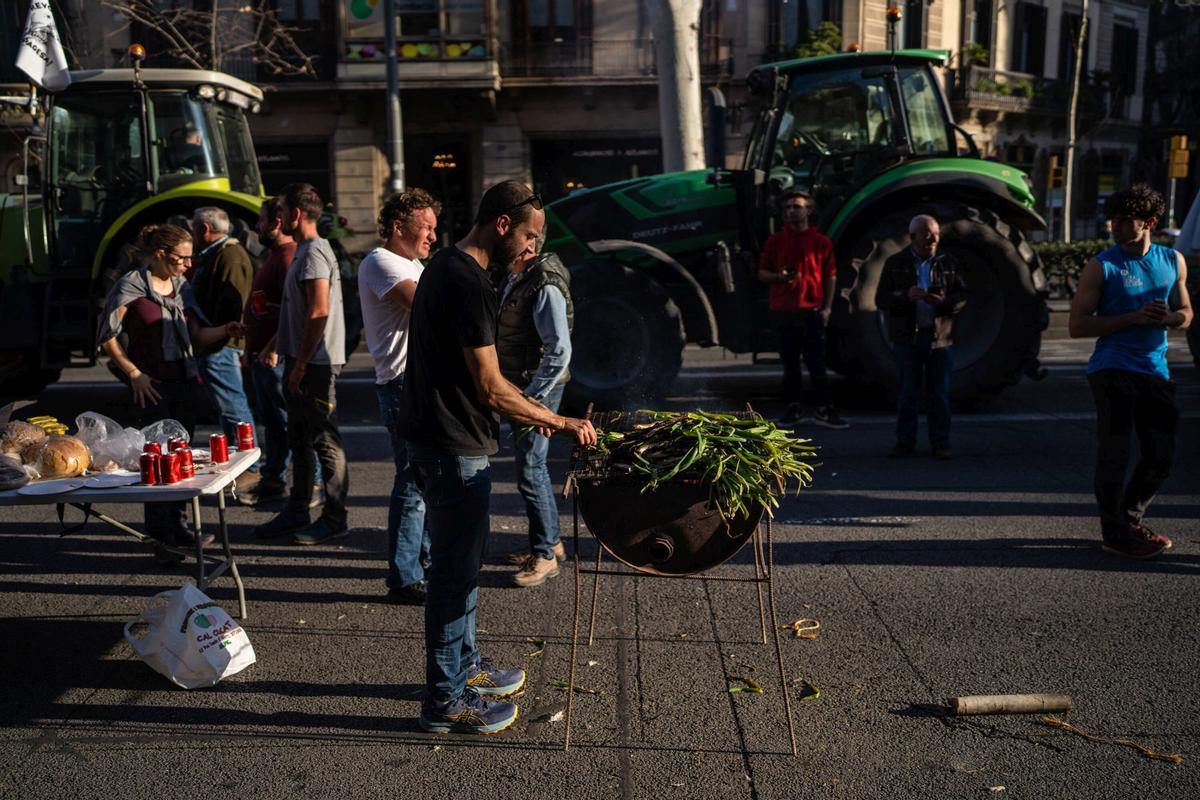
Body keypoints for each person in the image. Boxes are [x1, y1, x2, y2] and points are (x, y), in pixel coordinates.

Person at [399, 180, 596, 735]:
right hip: (450, 444)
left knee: (459, 564)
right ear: (503, 225)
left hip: (445, 437)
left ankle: (462, 667)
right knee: (455, 575)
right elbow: (489, 386)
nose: (533, 248)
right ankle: (445, 700)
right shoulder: (466, 282)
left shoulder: (448, 266)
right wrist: (560, 420)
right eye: (530, 235)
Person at [97, 224, 243, 560]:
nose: (188, 264)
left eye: (190, 258)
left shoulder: (181, 287)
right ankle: (159, 539)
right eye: (182, 258)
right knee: (155, 464)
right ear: (161, 255)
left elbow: (196, 335)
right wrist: (134, 374)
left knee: (181, 461)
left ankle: (178, 527)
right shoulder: (131, 285)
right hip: (153, 388)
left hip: (186, 384)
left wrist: (226, 330)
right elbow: (107, 336)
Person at [1068, 184, 1193, 560]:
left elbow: (1187, 313)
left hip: (1155, 370)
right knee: (1115, 454)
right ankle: (1115, 533)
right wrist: (1131, 319)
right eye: (1113, 219)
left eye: (1125, 221)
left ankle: (1127, 520)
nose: (1115, 227)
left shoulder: (1173, 260)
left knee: (1161, 456)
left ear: (1149, 223)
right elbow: (1077, 326)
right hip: (1112, 369)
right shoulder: (1102, 265)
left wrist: (1169, 318)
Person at [252, 183, 349, 546]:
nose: (277, 220)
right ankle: (296, 509)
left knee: (325, 440)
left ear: (295, 215)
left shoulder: (312, 254)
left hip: (317, 363)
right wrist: (277, 345)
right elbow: (299, 311)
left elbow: (318, 310)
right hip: (303, 359)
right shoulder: (307, 252)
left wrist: (302, 364)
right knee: (300, 437)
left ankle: (334, 517)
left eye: (281, 213)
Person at [358, 188, 439, 604]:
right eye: (426, 228)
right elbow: (425, 306)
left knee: (423, 477)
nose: (432, 236)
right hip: (401, 383)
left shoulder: (413, 263)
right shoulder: (380, 262)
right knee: (411, 477)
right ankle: (405, 577)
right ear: (398, 227)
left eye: (434, 229)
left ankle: (421, 564)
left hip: (420, 382)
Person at [497, 240, 574, 587]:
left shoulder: (544, 282)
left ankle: (544, 556)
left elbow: (559, 348)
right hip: (523, 385)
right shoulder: (518, 276)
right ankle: (550, 543)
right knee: (531, 465)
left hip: (536, 386)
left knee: (530, 467)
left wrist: (533, 399)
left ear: (526, 244)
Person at [240, 197, 323, 508]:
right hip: (264, 355)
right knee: (274, 422)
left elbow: (300, 312)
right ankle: (274, 479)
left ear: (277, 222)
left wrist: (273, 346)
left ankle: (310, 484)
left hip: (274, 356)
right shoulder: (277, 256)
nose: (258, 226)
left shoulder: (289, 256)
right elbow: (283, 307)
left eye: (261, 220)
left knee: (289, 422)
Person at [875, 214, 968, 460]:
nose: (932, 239)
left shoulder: (948, 263)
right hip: (908, 339)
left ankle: (941, 443)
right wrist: (905, 296)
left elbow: (963, 297)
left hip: (940, 338)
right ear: (912, 236)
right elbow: (881, 299)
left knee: (939, 395)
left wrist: (944, 302)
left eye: (936, 234)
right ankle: (904, 442)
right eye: (927, 234)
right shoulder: (896, 263)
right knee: (908, 392)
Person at [757, 190, 848, 429]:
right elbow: (762, 273)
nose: (791, 211)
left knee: (816, 363)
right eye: (787, 208)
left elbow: (830, 276)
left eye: (796, 206)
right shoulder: (775, 241)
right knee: (790, 364)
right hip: (784, 310)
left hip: (811, 310)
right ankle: (793, 408)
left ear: (809, 210)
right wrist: (779, 277)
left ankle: (824, 408)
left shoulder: (821, 242)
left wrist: (827, 307)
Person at [190, 206, 260, 498]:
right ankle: (242, 468)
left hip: (221, 345)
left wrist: (217, 335)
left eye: (195, 228)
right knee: (229, 407)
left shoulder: (229, 255)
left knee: (234, 408)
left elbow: (234, 302)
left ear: (205, 230)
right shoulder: (219, 254)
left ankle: (249, 471)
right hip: (217, 343)